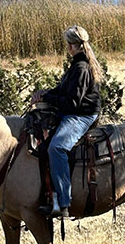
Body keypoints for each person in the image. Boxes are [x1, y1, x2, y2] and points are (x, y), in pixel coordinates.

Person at [31, 25, 103, 218]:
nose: (67, 48)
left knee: (57, 147)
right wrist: (46, 93)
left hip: (82, 115)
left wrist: (48, 99)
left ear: (72, 46)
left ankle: (63, 202)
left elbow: (72, 103)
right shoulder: (78, 64)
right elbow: (64, 92)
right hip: (73, 112)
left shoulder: (81, 68)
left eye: (68, 44)